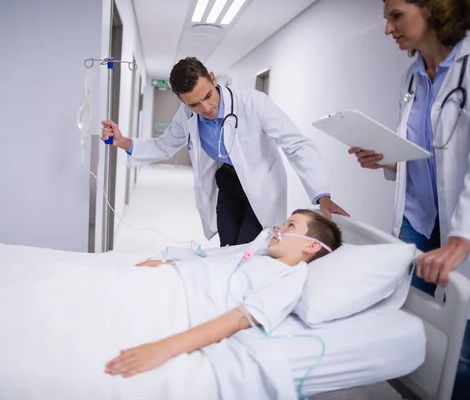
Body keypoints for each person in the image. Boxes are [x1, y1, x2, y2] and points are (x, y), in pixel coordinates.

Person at [349, 1, 470, 398]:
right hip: (418, 219)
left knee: (460, 344)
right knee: (412, 327)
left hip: (462, 229)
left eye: (395, 15)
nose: (388, 29)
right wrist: (386, 160)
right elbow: (427, 154)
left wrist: (462, 238)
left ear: (436, 8)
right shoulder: (412, 77)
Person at [101, 57, 349, 247]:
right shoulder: (186, 115)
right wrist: (123, 142)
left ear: (212, 78)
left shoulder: (253, 102)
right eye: (194, 104)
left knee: (250, 247)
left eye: (207, 96)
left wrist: (321, 195)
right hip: (228, 184)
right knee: (228, 245)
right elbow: (164, 145)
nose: (206, 107)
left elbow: (296, 144)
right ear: (180, 99)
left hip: (261, 185)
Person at [104, 209, 342, 378]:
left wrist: (163, 349)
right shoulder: (260, 257)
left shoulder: (290, 277)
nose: (279, 229)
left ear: (311, 245)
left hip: (173, 299)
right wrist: (164, 264)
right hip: (158, 280)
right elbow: (209, 267)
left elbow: (238, 320)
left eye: (291, 225)